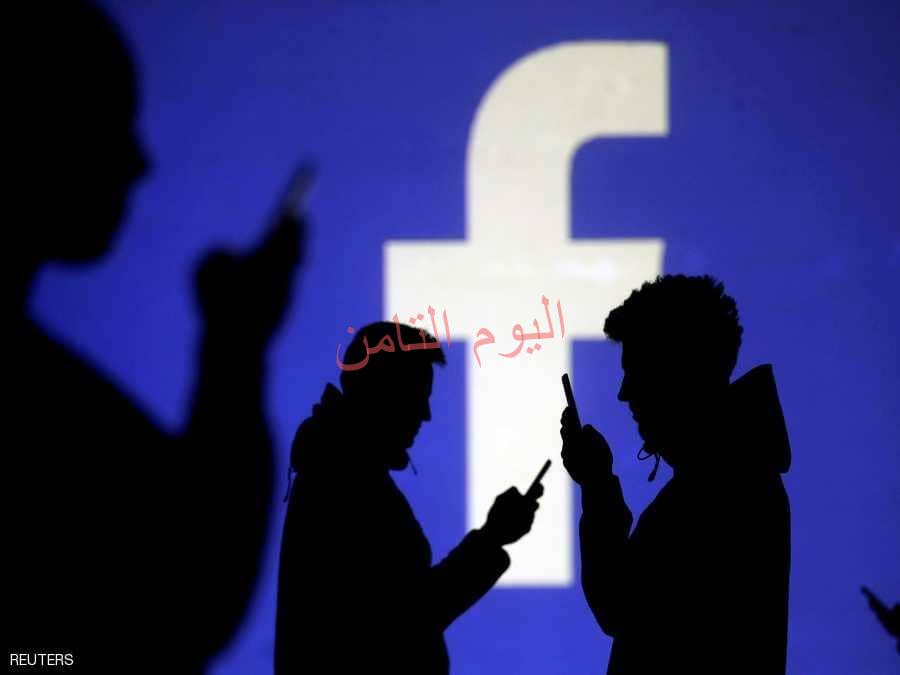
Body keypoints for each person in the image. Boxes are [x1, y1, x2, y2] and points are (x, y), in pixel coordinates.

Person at [6, 2, 303, 671]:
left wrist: (235, 343)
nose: (139, 162)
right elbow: (180, 601)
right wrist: (235, 347)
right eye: (103, 123)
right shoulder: (47, 414)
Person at [276, 321, 542, 674]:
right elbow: (405, 621)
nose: (425, 414)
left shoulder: (338, 474)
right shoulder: (347, 486)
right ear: (383, 392)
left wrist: (491, 539)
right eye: (417, 396)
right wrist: (492, 539)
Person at [560, 274, 791, 674]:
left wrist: (597, 485)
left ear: (677, 371)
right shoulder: (734, 473)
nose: (624, 393)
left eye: (636, 371)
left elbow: (618, 604)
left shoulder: (718, 489)